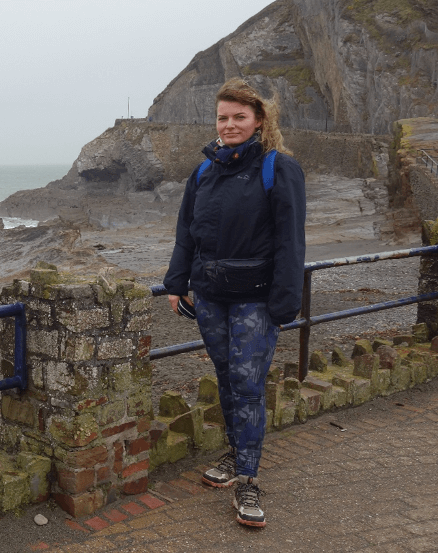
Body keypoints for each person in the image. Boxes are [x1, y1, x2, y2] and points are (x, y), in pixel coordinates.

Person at [163, 77, 306, 528]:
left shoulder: (278, 168)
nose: (229, 125)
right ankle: (234, 452)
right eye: (223, 118)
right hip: (209, 296)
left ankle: (248, 478)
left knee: (247, 386)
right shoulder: (204, 171)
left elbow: (290, 240)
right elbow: (187, 230)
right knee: (226, 378)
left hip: (257, 300)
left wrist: (285, 303)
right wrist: (176, 283)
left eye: (239, 117)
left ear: (259, 120)